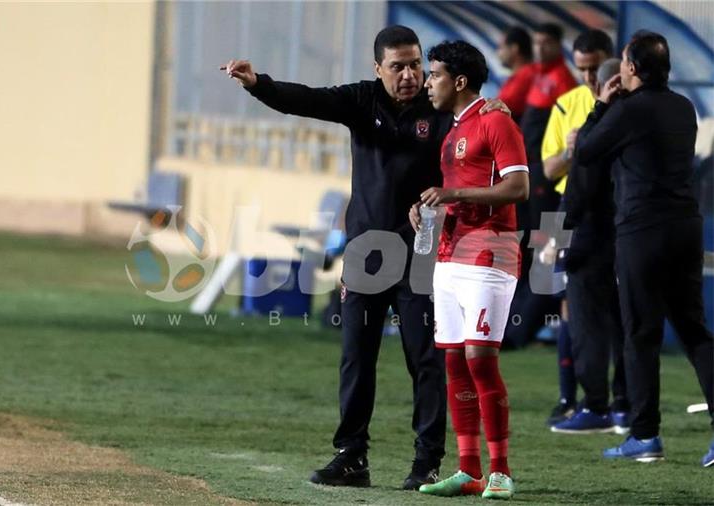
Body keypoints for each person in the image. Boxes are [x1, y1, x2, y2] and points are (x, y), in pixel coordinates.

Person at [222, 25, 510, 489]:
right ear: (378, 70)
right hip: (366, 253)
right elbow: (308, 100)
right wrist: (260, 84)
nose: (411, 75)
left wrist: (493, 105)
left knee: (425, 360)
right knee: (357, 357)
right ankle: (352, 457)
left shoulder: (439, 109)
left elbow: (477, 119)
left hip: (421, 254)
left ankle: (427, 462)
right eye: (398, 66)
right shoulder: (361, 100)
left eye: (416, 64)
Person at [574, 31, 714, 466]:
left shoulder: (629, 110)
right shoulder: (683, 107)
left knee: (640, 334)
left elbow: (586, 152)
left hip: (642, 230)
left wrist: (601, 104)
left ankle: (644, 436)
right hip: (685, 227)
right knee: (694, 331)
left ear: (630, 68)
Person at [409, 40, 529, 499]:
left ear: (459, 81)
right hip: (449, 255)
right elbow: (455, 189)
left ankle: (500, 472)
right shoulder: (452, 129)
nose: (427, 82)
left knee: (481, 360)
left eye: (434, 74)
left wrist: (455, 196)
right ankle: (468, 470)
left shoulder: (497, 122)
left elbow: (518, 188)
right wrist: (424, 209)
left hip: (489, 255)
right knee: (454, 362)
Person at [540, 30, 629, 433]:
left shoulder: (629, 104)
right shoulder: (567, 105)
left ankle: (618, 401)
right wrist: (574, 149)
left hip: (613, 211)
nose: (590, 78)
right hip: (567, 208)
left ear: (612, 60)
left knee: (620, 309)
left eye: (596, 68)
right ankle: (566, 398)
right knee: (567, 306)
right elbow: (549, 169)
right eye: (583, 70)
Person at [504, 23, 576, 351]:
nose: (540, 48)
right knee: (525, 248)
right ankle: (517, 323)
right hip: (531, 174)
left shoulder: (563, 82)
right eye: (538, 42)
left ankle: (525, 328)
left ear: (558, 45)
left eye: (547, 42)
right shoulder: (537, 77)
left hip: (545, 179)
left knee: (541, 249)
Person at [497, 26, 535, 125]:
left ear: (514, 48)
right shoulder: (519, 75)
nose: (498, 53)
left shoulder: (527, 75)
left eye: (501, 47)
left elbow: (503, 106)